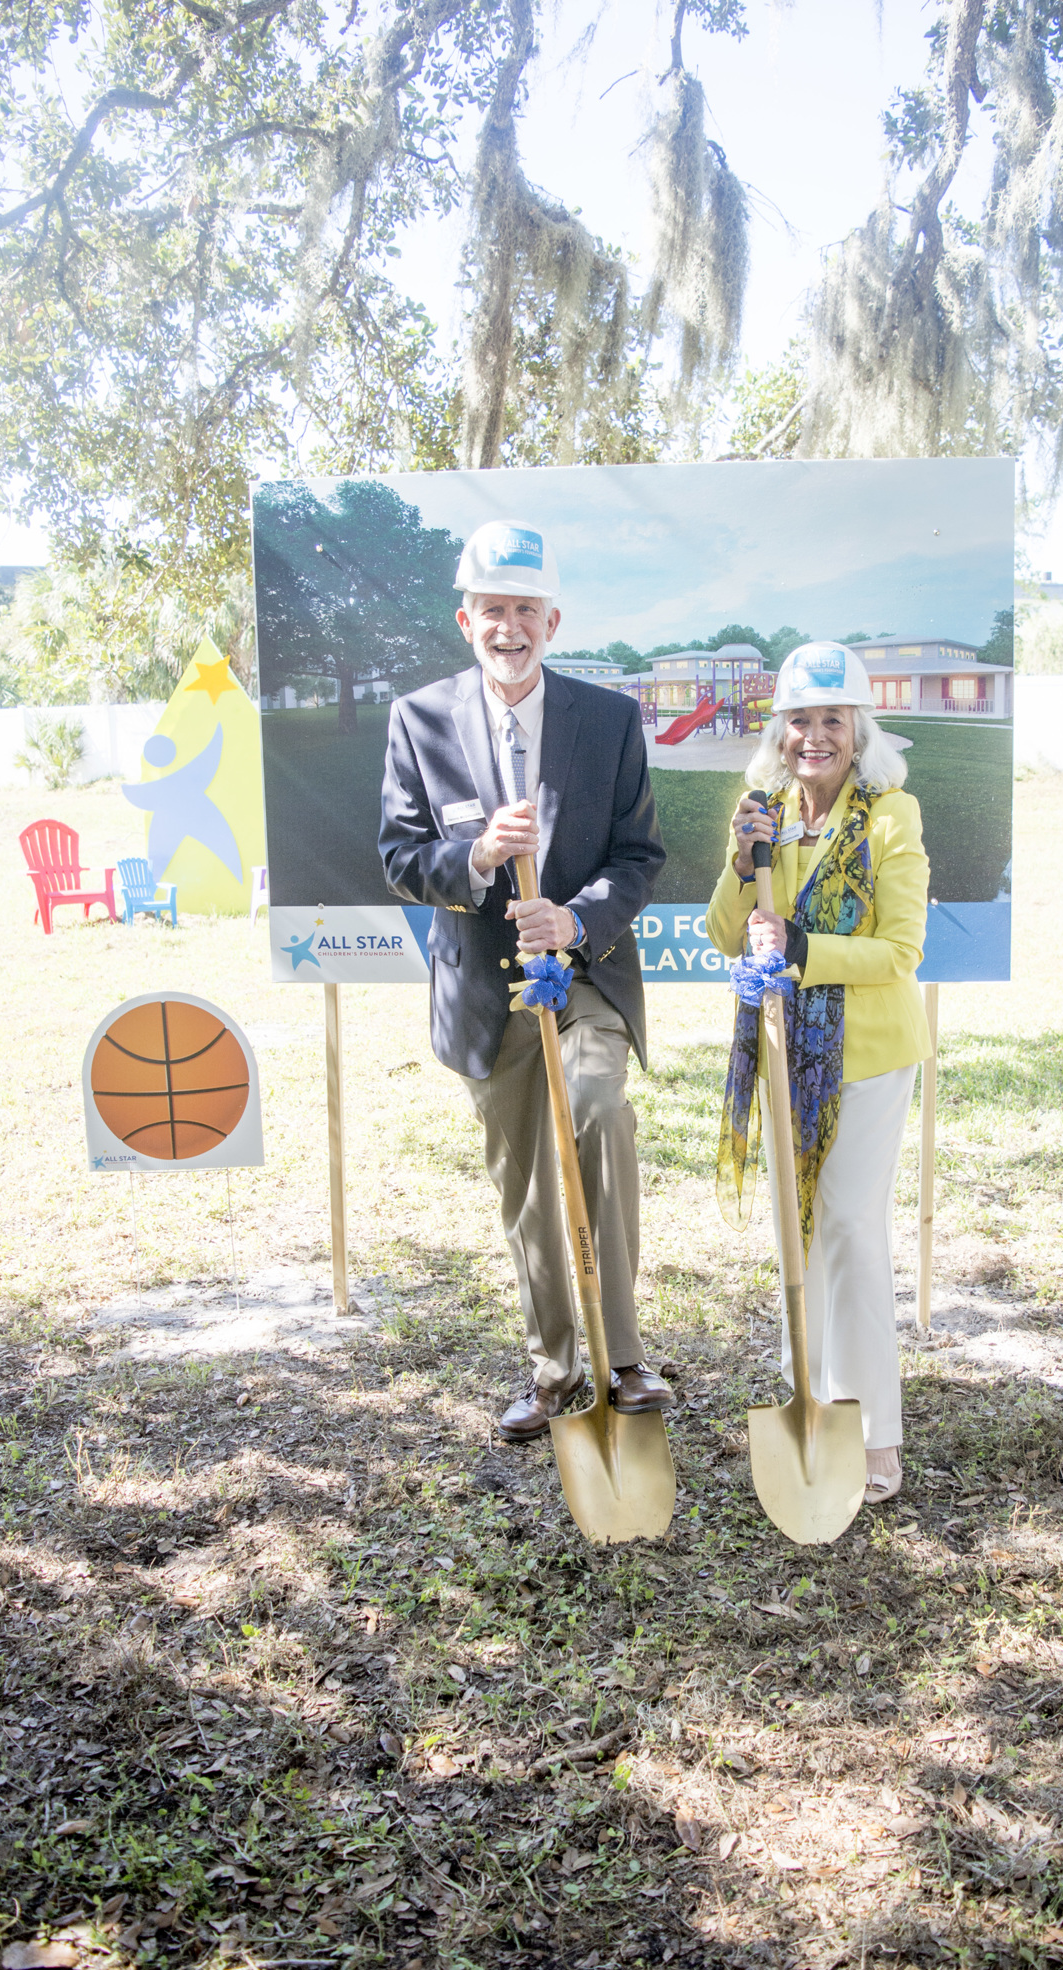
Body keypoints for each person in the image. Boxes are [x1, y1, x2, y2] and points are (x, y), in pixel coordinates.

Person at [378, 518, 675, 1438]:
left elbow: (637, 856)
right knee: (525, 1182)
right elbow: (399, 856)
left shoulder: (609, 718)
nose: (509, 626)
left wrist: (576, 917)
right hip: (481, 991)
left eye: (525, 610)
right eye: (492, 610)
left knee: (593, 1110)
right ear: (466, 621)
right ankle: (555, 1366)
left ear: (554, 620)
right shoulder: (418, 719)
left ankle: (622, 1357)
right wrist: (474, 857)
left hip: (583, 976)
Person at [706, 641, 931, 1503]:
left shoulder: (888, 816)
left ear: (857, 727)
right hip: (783, 1053)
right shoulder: (760, 808)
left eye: (830, 719)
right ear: (780, 728)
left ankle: (875, 1425)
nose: (813, 736)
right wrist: (738, 865)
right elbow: (732, 937)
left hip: (867, 1056)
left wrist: (800, 948)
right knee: (801, 1233)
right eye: (799, 719)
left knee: (846, 1224)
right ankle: (822, 1392)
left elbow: (899, 950)